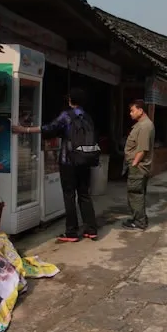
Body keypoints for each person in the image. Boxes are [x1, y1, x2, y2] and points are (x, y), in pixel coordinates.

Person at [11, 88, 99, 242]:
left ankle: (71, 232)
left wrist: (24, 129)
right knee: (84, 194)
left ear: (70, 100)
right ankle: (91, 230)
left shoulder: (67, 115)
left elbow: (49, 128)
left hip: (68, 161)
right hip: (86, 159)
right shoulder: (88, 116)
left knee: (69, 196)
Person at [122, 99, 155, 231]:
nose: (130, 113)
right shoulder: (142, 124)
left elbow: (142, 150)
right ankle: (139, 218)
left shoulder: (145, 126)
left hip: (139, 167)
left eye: (132, 110)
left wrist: (134, 164)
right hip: (138, 166)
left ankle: (139, 222)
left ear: (140, 111)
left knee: (135, 194)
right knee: (137, 194)